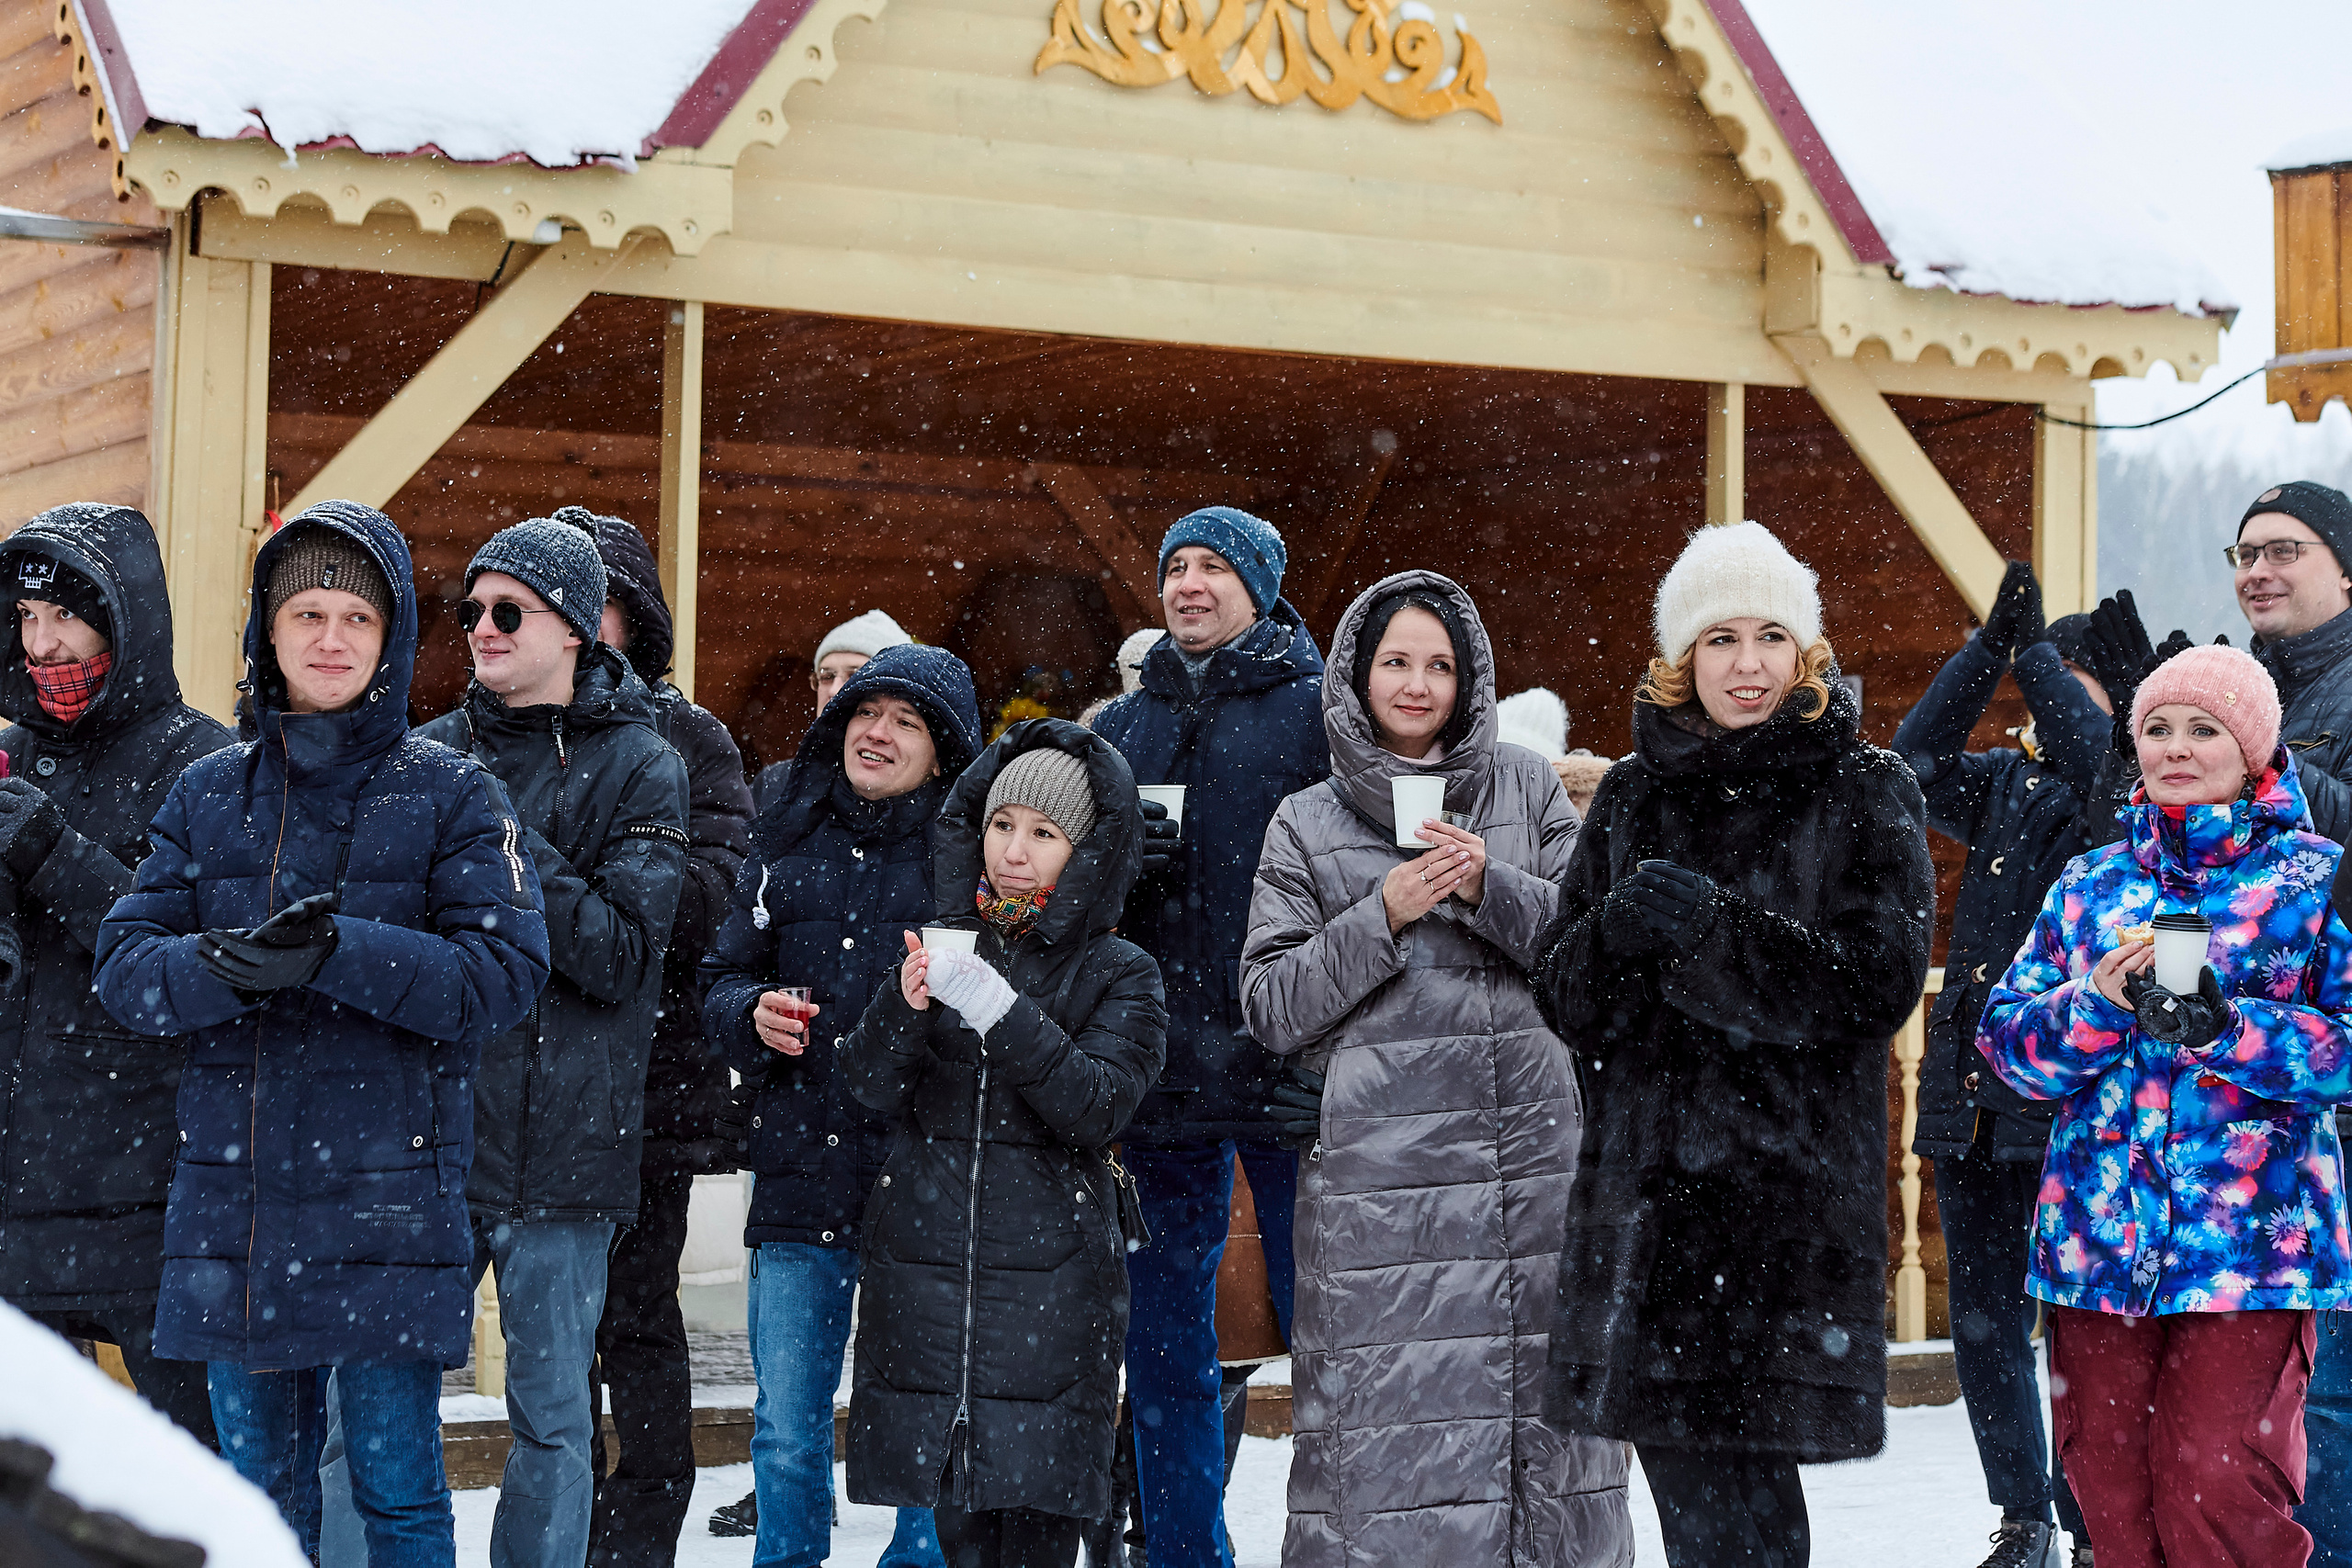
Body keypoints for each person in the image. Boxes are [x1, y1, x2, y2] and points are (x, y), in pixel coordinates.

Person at [92, 500, 552, 1559]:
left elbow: (502, 974)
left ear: (390, 638)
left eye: (357, 615)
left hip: (391, 1206)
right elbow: (126, 967)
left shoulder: (454, 793)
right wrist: (226, 967)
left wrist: (340, 950)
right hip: (237, 1210)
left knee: (396, 1493)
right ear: (268, 631)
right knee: (256, 1501)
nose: (332, 639)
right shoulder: (208, 795)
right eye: (307, 613)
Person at [1532, 521, 1934, 1567]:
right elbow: (1565, 997)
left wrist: (1715, 933)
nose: (1746, 665)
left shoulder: (1864, 786)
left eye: (1769, 637)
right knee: (1695, 1516)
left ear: (1806, 654)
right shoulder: (1630, 794)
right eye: (1719, 639)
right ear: (1681, 658)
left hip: (1782, 1216)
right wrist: (1615, 935)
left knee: (1749, 1530)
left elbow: (1874, 982)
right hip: (1648, 1222)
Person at [1239, 571, 1633, 1562]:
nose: (1417, 685)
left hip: (1533, 1172)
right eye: (1396, 663)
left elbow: (1600, 952)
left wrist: (1489, 885)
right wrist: (1383, 913)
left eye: (1440, 666)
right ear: (1355, 677)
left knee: (1546, 1440)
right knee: (1390, 1446)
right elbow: (1272, 1005)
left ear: (1472, 680)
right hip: (1385, 1191)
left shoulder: (1530, 787)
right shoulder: (1305, 822)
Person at [1980, 642, 2352, 1566]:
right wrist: (2094, 1004)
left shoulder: (2315, 880)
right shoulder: (2089, 883)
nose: (2175, 746)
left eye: (2202, 728)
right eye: (2156, 728)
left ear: (2254, 749)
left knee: (2217, 1490)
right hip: (2094, 1248)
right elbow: (2009, 1047)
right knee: (2108, 1491)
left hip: (2250, 1252)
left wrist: (2230, 1030)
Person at [414, 516, 690, 1568]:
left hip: (571, 1152)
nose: (481, 628)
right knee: (378, 1411)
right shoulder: (425, 753)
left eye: (508, 610)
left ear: (574, 628)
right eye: (471, 609)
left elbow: (620, 954)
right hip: (431, 1143)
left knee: (553, 1425)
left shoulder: (643, 765)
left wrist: (504, 838)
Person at [841, 723, 1167, 1568]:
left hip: (1053, 1308)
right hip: (934, 1295)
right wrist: (901, 1009)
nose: (1014, 850)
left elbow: (1095, 1105)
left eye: (1045, 833)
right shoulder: (944, 940)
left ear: (1087, 851)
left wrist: (1002, 1009)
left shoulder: (1121, 971)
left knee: (1037, 1540)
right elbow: (869, 1089)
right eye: (1001, 824)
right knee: (961, 1538)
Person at [700, 641, 980, 1568]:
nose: (879, 732)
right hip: (799, 1172)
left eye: (907, 722)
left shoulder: (968, 863)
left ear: (942, 753)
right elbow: (721, 978)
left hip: (923, 1182)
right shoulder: (787, 837)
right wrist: (751, 1012)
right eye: (868, 712)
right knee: (785, 1429)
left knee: (922, 1429)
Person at [1089, 506, 1327, 1568]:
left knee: (1333, 1346)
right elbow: (1066, 895)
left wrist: (1326, 1049)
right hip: (1160, 1086)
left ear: (1260, 587)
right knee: (1168, 1347)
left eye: (1213, 568)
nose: (1188, 585)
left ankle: (1338, 1543)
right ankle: (1184, 1552)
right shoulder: (1122, 729)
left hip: (1289, 1079)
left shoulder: (1322, 716)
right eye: (1174, 566)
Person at [1894, 561, 2121, 1568]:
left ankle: (2087, 1521)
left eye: (2075, 679)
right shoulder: (1998, 781)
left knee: (2074, 1333)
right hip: (1968, 1099)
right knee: (1983, 1327)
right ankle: (2022, 1514)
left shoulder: (2112, 787)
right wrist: (1986, 649)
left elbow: (2091, 749)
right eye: (2049, 677)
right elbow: (1912, 756)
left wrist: (2034, 655)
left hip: (2064, 1097)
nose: (2051, 698)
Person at [0, 503, 232, 1447]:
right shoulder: (9, 753)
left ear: (124, 617)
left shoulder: (203, 760)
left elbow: (191, 953)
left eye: (68, 617)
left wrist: (48, 846)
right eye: (25, 619)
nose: (45, 644)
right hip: (15, 1187)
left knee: (184, 1474)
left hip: (147, 1190)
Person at [554, 508, 756, 1568]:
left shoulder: (691, 739)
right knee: (548, 1345)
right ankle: (551, 1530)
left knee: (635, 1322)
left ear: (634, 615)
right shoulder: (488, 730)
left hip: (649, 1085)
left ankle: (634, 1545)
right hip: (520, 1086)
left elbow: (699, 904)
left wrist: (566, 892)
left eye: (595, 599)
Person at [2228, 481, 2352, 1568]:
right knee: (2275, 1388)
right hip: (2246, 1079)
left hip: (2336, 1069)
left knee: (2334, 1388)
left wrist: (2256, 757)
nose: (2256, 569)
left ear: (2345, 568)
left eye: (2284, 550)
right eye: (2243, 553)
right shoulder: (2239, 686)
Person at [753, 608, 915, 814]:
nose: (834, 689)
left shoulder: (923, 788)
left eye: (854, 675)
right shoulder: (775, 784)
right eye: (827, 676)